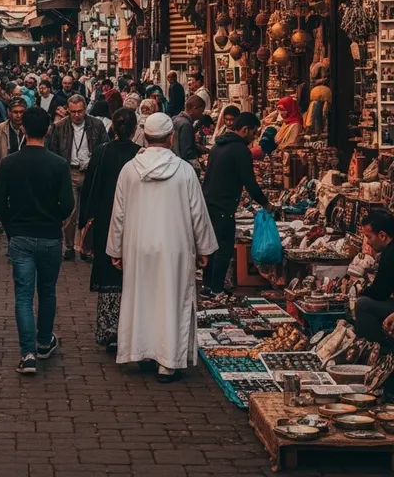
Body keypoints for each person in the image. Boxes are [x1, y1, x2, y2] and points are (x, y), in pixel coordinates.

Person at [106, 113, 218, 382]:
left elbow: (118, 213)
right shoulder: (184, 170)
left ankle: (143, 352)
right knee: (171, 301)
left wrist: (115, 249)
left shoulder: (130, 170)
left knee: (141, 299)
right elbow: (197, 214)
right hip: (174, 247)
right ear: (171, 138)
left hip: (138, 245)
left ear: (145, 137)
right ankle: (167, 363)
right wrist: (204, 247)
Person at [0, 106, 74, 375]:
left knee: (23, 296)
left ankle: (27, 353)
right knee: (48, 291)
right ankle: (43, 341)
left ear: (23, 129)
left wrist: (10, 225)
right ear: (49, 128)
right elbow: (68, 204)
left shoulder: (9, 163)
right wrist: (56, 218)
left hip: (21, 235)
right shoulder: (58, 164)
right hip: (50, 235)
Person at [78, 108, 141, 352]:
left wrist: (85, 219)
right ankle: (131, 329)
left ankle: (109, 329)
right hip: (135, 221)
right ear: (135, 128)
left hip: (107, 220)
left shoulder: (102, 152)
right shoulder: (140, 155)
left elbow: (90, 186)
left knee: (109, 274)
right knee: (132, 276)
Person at [200, 111, 270, 297]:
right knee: (223, 248)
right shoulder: (240, 151)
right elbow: (250, 183)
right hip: (223, 206)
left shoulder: (217, 146)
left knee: (211, 247)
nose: (254, 137)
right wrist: (265, 203)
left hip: (209, 203)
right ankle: (216, 289)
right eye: (253, 133)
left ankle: (208, 286)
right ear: (245, 129)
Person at [48, 94, 110, 261]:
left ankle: (85, 247)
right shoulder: (60, 126)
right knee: (70, 211)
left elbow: (105, 146)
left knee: (89, 212)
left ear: (85, 110)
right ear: (68, 110)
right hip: (69, 171)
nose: (77, 115)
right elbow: (53, 150)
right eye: (73, 112)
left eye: (80, 111)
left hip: (91, 172)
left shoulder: (96, 125)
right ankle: (69, 246)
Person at [357, 212, 394, 344]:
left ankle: (374, 347)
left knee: (363, 304)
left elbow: (380, 291)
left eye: (369, 237)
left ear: (382, 235)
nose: (367, 241)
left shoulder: (390, 254)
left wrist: (362, 293)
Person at [0, 97, 28, 189]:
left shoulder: (31, 129)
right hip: (5, 177)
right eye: (15, 112)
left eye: (22, 112)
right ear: (9, 112)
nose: (19, 115)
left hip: (26, 177)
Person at [172, 95, 206, 171]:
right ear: (195, 108)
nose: (202, 114)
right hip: (181, 166)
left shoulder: (176, 119)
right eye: (202, 111)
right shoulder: (186, 125)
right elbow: (187, 152)